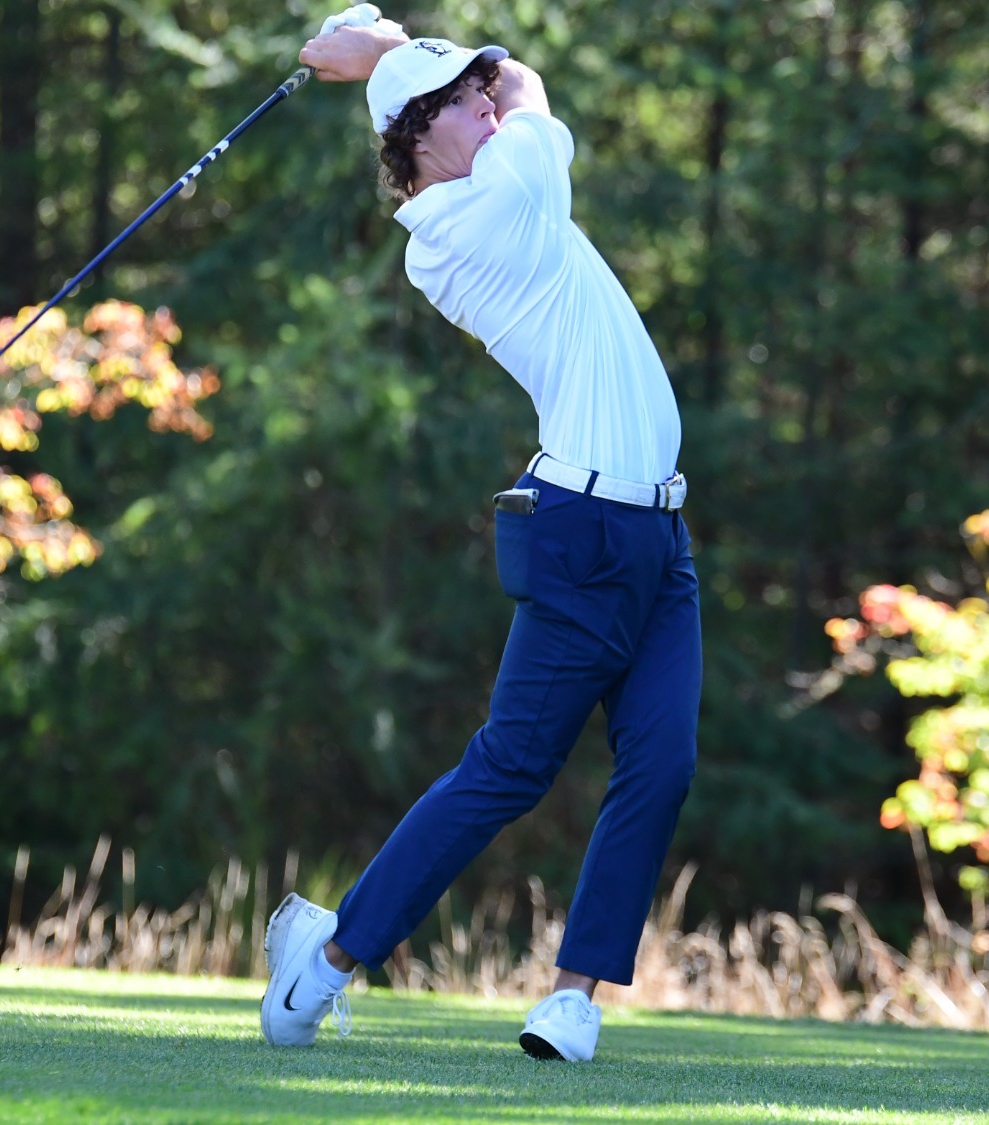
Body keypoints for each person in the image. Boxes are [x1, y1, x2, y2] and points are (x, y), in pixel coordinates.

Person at [259, 9, 699, 1063]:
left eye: (479, 93)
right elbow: (533, 87)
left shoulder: (504, 185)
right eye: (462, 99)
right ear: (417, 135)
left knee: (662, 763)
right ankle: (321, 968)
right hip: (586, 533)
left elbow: (510, 87)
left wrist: (396, 49)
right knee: (508, 768)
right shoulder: (479, 218)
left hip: (655, 539)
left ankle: (573, 998)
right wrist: (377, 54)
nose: (487, 104)